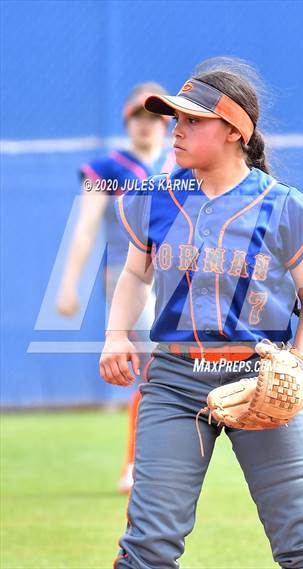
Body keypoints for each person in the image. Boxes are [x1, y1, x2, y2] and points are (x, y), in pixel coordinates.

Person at [100, 59, 303, 568]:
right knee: (147, 544)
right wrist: (116, 334)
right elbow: (134, 275)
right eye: (176, 120)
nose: (177, 130)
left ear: (234, 131)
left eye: (193, 120)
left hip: (261, 377)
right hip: (174, 378)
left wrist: (297, 362)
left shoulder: (283, 206)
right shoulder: (156, 199)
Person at [56, 82, 175, 493]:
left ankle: (164, 462)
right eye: (137, 116)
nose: (145, 124)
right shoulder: (106, 169)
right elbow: (87, 225)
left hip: (177, 275)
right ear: (127, 122)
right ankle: (136, 465)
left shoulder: (181, 165)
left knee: (175, 367)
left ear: (166, 123)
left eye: (153, 117)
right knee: (154, 367)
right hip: (129, 276)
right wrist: (70, 282)